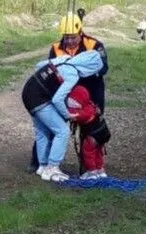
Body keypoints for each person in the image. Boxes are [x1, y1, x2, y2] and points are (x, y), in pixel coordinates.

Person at [29, 12, 109, 172]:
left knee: (90, 130)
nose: (70, 41)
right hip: (64, 92)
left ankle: (88, 168)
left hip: (91, 91)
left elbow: (104, 68)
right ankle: (39, 162)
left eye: (73, 37)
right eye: (66, 37)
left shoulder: (94, 45)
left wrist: (80, 75)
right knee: (51, 124)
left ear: (80, 32)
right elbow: (51, 71)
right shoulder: (55, 48)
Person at [21, 36, 104, 183]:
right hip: (40, 99)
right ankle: (52, 168)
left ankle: (42, 166)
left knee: (42, 132)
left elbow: (39, 65)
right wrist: (68, 114)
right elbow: (57, 99)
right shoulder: (72, 74)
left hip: (27, 93)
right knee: (62, 131)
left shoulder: (64, 59)